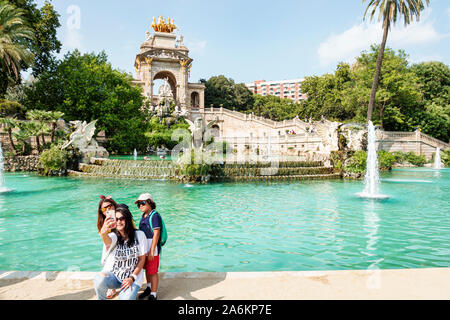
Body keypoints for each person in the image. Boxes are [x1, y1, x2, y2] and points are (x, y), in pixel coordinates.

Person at [94, 204, 147, 300]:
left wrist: (132, 278)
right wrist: (103, 233)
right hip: (115, 277)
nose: (118, 222)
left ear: (127, 219)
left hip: (132, 278)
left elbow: (142, 259)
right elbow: (107, 240)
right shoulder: (114, 236)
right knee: (98, 279)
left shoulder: (139, 235)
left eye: (122, 218)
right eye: (116, 219)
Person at [135, 193, 162, 300]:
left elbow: (156, 233)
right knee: (147, 269)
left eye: (142, 203)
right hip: (145, 247)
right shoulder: (144, 215)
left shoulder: (154, 216)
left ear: (150, 203)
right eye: (138, 204)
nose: (140, 206)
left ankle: (154, 294)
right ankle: (149, 288)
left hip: (152, 248)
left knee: (153, 271)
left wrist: (152, 250)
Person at [97, 195, 120, 299]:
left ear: (114, 205)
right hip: (109, 244)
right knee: (108, 263)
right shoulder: (103, 222)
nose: (107, 209)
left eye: (110, 206)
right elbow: (105, 239)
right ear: (101, 211)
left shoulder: (121, 216)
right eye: (104, 208)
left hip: (122, 241)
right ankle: (111, 287)